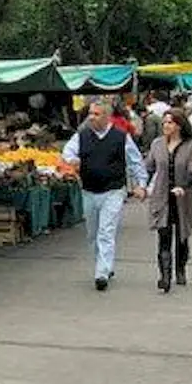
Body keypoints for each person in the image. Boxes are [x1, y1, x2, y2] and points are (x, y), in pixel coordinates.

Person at [61, 101, 148, 291]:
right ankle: (104, 265)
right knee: (92, 233)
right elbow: (67, 151)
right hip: (89, 191)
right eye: (91, 113)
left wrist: (141, 184)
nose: (92, 117)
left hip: (113, 191)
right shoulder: (82, 135)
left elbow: (135, 161)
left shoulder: (121, 137)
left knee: (106, 231)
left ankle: (101, 273)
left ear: (107, 117)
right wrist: (72, 160)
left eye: (97, 114)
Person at [145, 109, 192, 293]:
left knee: (181, 236)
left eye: (170, 123)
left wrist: (183, 186)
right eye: (164, 123)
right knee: (164, 236)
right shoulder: (156, 144)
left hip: (183, 197)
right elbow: (149, 168)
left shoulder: (191, 145)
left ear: (179, 125)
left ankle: (180, 268)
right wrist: (142, 186)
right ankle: (164, 276)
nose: (166, 126)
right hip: (162, 196)